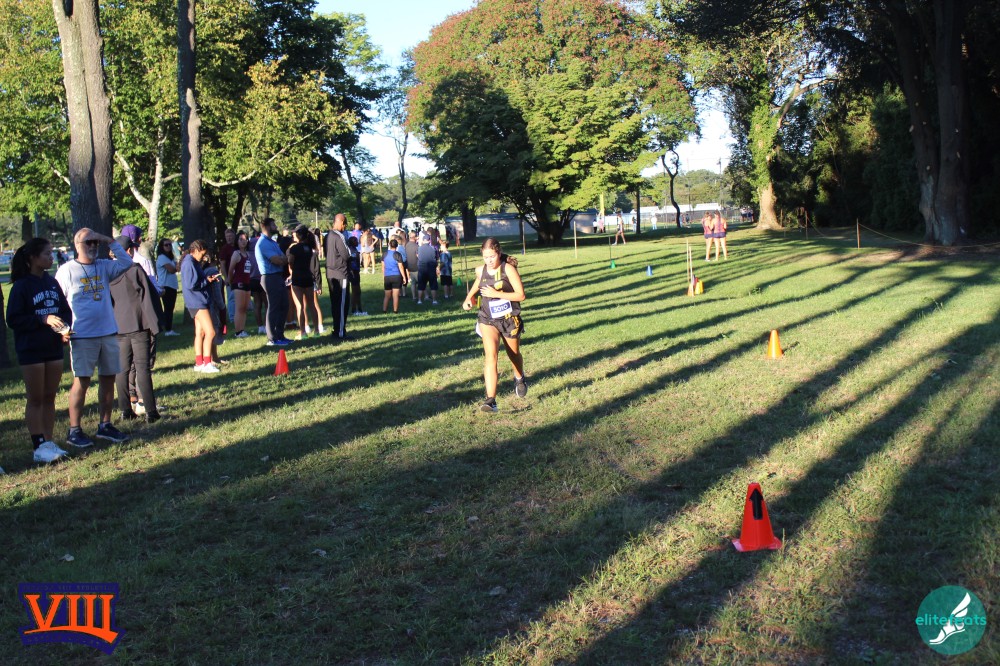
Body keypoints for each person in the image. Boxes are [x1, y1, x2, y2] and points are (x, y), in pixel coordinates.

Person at [55, 229, 134, 447]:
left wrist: (108, 240)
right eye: (88, 242)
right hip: (82, 335)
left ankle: (105, 425)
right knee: (82, 381)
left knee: (108, 379)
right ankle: (74, 430)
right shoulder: (67, 270)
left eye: (95, 242)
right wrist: (62, 329)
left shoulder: (104, 266)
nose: (92, 246)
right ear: (76, 245)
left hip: (107, 331)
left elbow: (126, 262)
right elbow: (58, 302)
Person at [6, 238, 73, 463]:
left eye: (52, 253)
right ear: (33, 258)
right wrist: (42, 319)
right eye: (47, 254)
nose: (51, 257)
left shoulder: (51, 282)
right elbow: (13, 319)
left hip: (52, 347)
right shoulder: (21, 286)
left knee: (49, 397)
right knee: (35, 398)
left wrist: (65, 329)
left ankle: (49, 441)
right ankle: (39, 446)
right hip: (31, 349)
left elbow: (64, 310)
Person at [462, 238, 528, 413]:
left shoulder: (508, 269)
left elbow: (521, 295)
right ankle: (491, 400)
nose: (489, 260)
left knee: (513, 354)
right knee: (491, 356)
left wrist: (496, 293)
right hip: (487, 318)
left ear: (498, 253)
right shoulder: (480, 270)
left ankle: (519, 377)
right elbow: (478, 282)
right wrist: (469, 298)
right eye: (485, 257)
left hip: (508, 319)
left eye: (492, 256)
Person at [109, 237, 162, 423]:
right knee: (142, 367)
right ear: (129, 251)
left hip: (118, 325)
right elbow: (147, 297)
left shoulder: (108, 272)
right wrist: (155, 324)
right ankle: (151, 411)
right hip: (139, 323)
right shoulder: (135, 269)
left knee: (122, 370)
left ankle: (125, 410)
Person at [181, 239, 223, 371]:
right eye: (202, 254)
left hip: (195, 301)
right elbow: (191, 284)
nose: (203, 257)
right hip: (197, 301)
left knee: (200, 332)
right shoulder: (189, 263)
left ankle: (199, 363)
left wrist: (207, 280)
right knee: (211, 332)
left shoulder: (192, 262)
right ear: (196, 250)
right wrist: (206, 281)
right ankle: (207, 363)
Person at [254, 218, 292, 346]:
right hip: (270, 277)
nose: (276, 226)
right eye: (273, 224)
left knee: (284, 304)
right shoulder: (263, 243)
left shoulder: (273, 242)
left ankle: (280, 335)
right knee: (274, 306)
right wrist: (282, 259)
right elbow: (278, 260)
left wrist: (283, 259)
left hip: (278, 276)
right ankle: (272, 338)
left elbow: (285, 258)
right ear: (266, 226)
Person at [286, 225, 322, 339]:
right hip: (308, 277)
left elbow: (290, 262)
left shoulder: (294, 248)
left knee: (300, 306)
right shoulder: (309, 248)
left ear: (298, 235)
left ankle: (303, 332)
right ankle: (316, 331)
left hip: (297, 278)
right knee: (312, 305)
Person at [324, 213, 352, 339]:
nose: (345, 226)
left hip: (330, 273)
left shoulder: (327, 236)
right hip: (341, 273)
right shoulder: (339, 236)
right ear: (340, 222)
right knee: (342, 304)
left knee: (335, 303)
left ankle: (337, 329)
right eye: (344, 223)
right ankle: (340, 331)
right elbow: (346, 254)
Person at [228, 231, 254, 338]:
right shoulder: (236, 254)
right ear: (237, 241)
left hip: (247, 283)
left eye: (245, 239)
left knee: (244, 308)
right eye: (241, 239)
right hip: (238, 284)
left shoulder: (247, 254)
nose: (243, 241)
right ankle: (238, 331)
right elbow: (231, 269)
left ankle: (242, 330)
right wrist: (230, 281)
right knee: (239, 308)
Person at [155, 238, 180, 336]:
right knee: (168, 308)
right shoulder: (162, 257)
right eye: (166, 245)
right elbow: (172, 270)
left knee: (170, 307)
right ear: (162, 247)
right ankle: (168, 330)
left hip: (171, 285)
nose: (169, 246)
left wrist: (177, 266)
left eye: (170, 244)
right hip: (166, 286)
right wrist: (177, 267)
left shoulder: (170, 258)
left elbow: (177, 267)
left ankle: (168, 328)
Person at [382, 238, 409, 313]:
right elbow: (401, 267)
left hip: (387, 276)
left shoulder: (384, 254)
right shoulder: (397, 254)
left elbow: (383, 267)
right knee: (395, 295)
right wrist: (404, 277)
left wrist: (384, 276)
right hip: (396, 276)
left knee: (387, 295)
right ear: (397, 246)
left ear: (389, 245)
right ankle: (395, 311)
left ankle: (384, 310)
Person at [217, 228, 237, 325]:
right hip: (230, 276)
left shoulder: (237, 246)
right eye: (227, 236)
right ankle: (232, 317)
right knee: (231, 297)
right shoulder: (225, 249)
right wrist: (226, 278)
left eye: (230, 236)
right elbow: (222, 264)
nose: (229, 238)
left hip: (239, 275)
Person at [416, 233, 439, 305]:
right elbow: (436, 258)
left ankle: (419, 300)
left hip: (422, 269)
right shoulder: (433, 248)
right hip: (431, 268)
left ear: (423, 241)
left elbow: (418, 256)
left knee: (421, 285)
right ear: (429, 240)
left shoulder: (419, 248)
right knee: (433, 285)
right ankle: (434, 301)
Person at [347, 236, 366, 316]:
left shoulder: (355, 249)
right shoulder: (350, 250)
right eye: (355, 241)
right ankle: (354, 309)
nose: (357, 242)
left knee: (358, 291)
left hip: (356, 271)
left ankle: (359, 308)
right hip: (352, 272)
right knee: (355, 291)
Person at [404, 231, 419, 300]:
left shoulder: (406, 245)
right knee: (421, 282)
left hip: (409, 267)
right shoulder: (416, 246)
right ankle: (425, 296)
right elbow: (418, 256)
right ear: (414, 237)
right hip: (416, 266)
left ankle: (414, 296)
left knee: (413, 283)